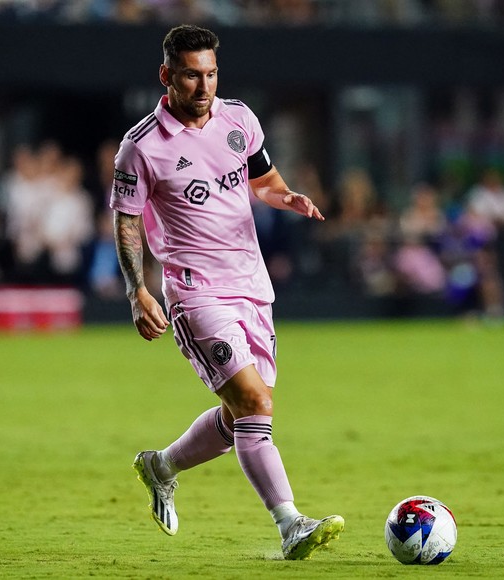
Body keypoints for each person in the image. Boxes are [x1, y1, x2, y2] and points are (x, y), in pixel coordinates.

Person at [111, 24, 343, 560]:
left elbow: (263, 180)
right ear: (166, 76)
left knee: (243, 413)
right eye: (191, 75)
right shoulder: (141, 147)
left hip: (251, 287)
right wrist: (136, 291)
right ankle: (291, 525)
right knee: (255, 401)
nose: (203, 86)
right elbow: (126, 222)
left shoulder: (240, 119)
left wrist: (287, 199)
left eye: (211, 74)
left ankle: (161, 466)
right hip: (195, 293)